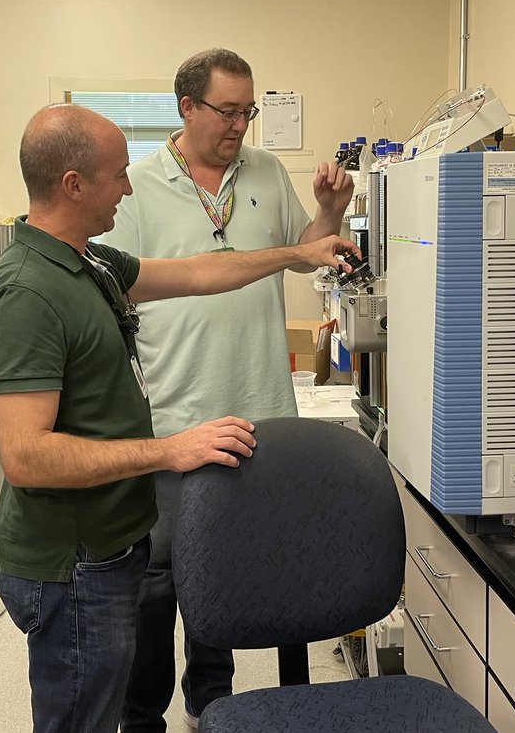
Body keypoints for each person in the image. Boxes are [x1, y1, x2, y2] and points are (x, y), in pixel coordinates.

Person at [0, 102, 358, 733]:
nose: (129, 186)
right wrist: (167, 450)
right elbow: (26, 455)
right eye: (117, 174)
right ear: (73, 184)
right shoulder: (26, 292)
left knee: (110, 697)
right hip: (71, 563)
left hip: (108, 544)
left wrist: (292, 255)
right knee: (82, 717)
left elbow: (201, 271)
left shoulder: (87, 264)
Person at [101, 48, 354, 731]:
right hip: (171, 418)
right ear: (186, 107)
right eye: (228, 111)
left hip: (257, 413)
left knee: (223, 579)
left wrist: (328, 214)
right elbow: (122, 283)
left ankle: (210, 702)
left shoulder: (267, 173)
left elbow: (306, 253)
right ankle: (142, 714)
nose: (241, 124)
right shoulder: (140, 186)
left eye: (249, 111)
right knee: (155, 586)